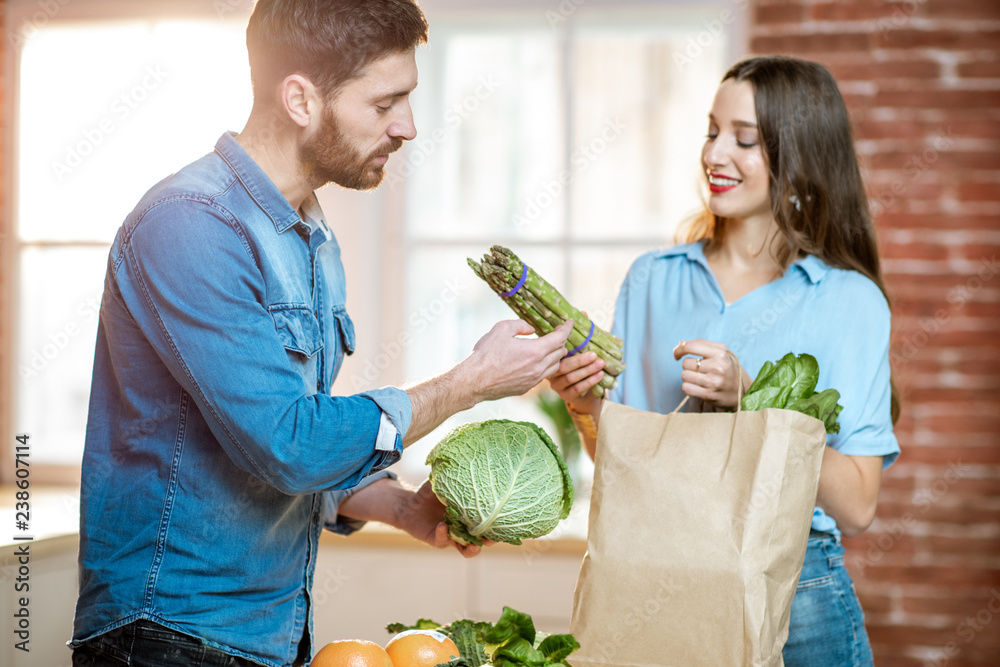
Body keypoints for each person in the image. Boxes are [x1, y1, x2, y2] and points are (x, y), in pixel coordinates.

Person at [70, 1, 573, 666]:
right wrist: (470, 382)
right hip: (170, 635)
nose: (409, 127)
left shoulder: (311, 234)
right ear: (301, 98)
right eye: (386, 102)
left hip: (268, 632)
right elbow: (288, 443)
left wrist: (400, 507)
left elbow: (272, 450)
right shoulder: (191, 225)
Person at [548, 55, 900, 666]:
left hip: (797, 590)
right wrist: (584, 402)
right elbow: (623, 463)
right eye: (712, 131)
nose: (715, 154)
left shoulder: (849, 300)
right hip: (658, 574)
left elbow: (860, 504)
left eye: (745, 140)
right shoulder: (652, 280)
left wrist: (754, 398)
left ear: (801, 157)